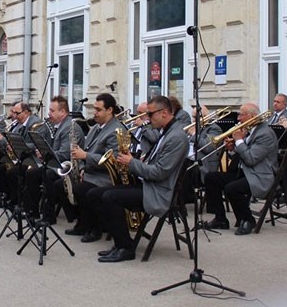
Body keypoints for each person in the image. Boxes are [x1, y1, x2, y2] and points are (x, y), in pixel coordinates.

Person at [87, 96, 188, 262]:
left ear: (163, 113)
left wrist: (132, 163)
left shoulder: (176, 137)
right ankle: (121, 242)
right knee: (95, 194)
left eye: (150, 114)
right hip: (148, 184)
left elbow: (159, 173)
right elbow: (156, 163)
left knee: (110, 197)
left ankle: (126, 248)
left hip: (157, 192)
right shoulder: (167, 132)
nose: (147, 118)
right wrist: (139, 161)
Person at [203, 103, 278, 235]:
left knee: (232, 188)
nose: (238, 118)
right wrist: (232, 149)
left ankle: (248, 220)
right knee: (211, 178)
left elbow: (251, 159)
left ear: (252, 116)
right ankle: (220, 219)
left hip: (259, 175)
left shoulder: (265, 134)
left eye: (241, 114)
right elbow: (244, 153)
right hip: (244, 172)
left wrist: (238, 141)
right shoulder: (250, 130)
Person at [64, 93, 120, 242]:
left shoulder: (115, 130)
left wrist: (85, 157)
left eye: (98, 110)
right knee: (68, 187)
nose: (94, 112)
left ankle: (95, 229)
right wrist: (82, 168)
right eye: (94, 109)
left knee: (83, 191)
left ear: (109, 110)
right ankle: (83, 224)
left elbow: (112, 158)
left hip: (105, 176)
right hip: (91, 172)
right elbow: (85, 150)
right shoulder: (96, 128)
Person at [24, 96, 84, 223]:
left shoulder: (69, 127)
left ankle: (48, 216)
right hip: (57, 164)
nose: (49, 113)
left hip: (68, 167)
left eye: (52, 110)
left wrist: (45, 155)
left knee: (47, 175)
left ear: (62, 112)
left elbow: (65, 154)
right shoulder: (60, 125)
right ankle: (32, 211)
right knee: (32, 173)